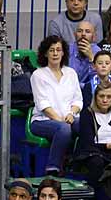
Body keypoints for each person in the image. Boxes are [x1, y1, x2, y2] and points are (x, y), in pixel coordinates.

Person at [30, 35, 83, 177]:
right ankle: (53, 168)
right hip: (43, 121)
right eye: (51, 50)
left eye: (58, 50)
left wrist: (71, 114)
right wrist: (60, 120)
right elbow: (43, 104)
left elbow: (78, 101)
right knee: (64, 128)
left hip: (69, 118)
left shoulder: (71, 73)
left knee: (86, 124)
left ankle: (78, 162)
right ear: (45, 53)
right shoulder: (38, 75)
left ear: (63, 52)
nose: (55, 53)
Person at [76, 80, 111, 186]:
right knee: (97, 162)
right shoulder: (87, 114)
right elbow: (87, 144)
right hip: (93, 153)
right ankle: (94, 197)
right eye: (101, 96)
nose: (105, 100)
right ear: (95, 97)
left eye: (109, 97)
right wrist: (108, 146)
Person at [68, 21, 100, 85]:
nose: (83, 34)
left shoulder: (98, 52)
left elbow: (97, 80)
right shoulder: (67, 50)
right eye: (80, 31)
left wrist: (91, 58)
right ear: (75, 35)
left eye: (87, 31)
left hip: (88, 91)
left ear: (93, 37)